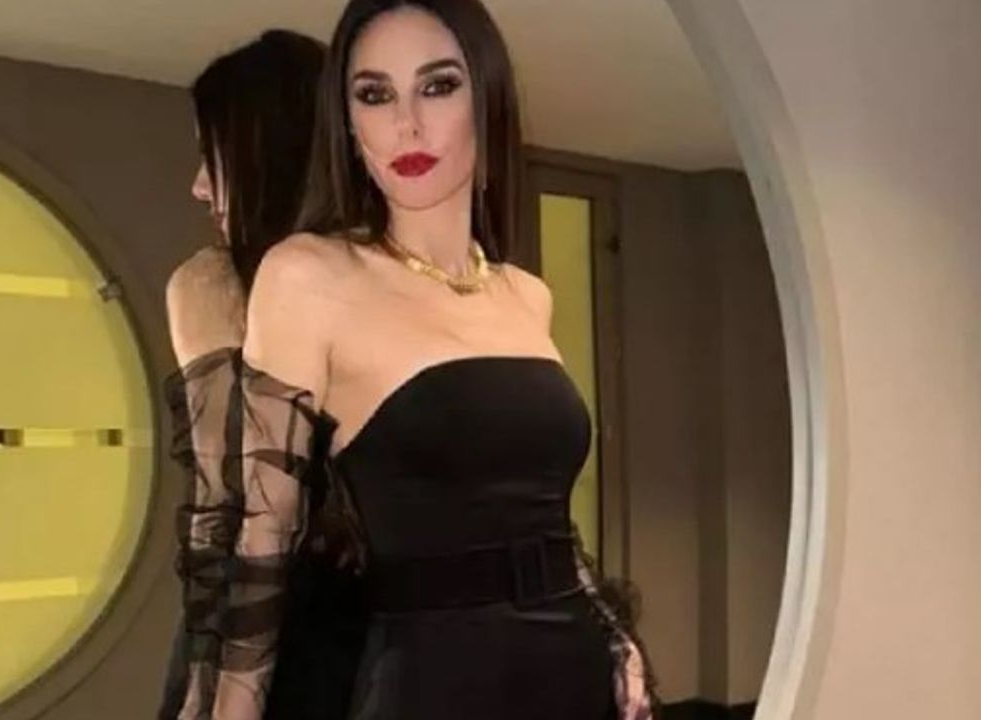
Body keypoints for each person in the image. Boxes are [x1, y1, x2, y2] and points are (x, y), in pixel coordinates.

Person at [192, 1, 660, 719]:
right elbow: (263, 541)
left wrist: (613, 635)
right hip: (433, 684)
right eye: (374, 95)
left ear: (487, 101)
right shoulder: (307, 275)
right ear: (347, 124)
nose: (406, 124)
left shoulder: (525, 295)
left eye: (437, 86)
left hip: (572, 671)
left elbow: (545, 519)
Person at [158, 29, 368, 720]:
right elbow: (225, 516)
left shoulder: (384, 283)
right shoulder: (215, 286)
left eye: (212, 157)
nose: (197, 186)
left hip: (372, 642)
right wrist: (205, 692)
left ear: (270, 154)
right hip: (280, 639)